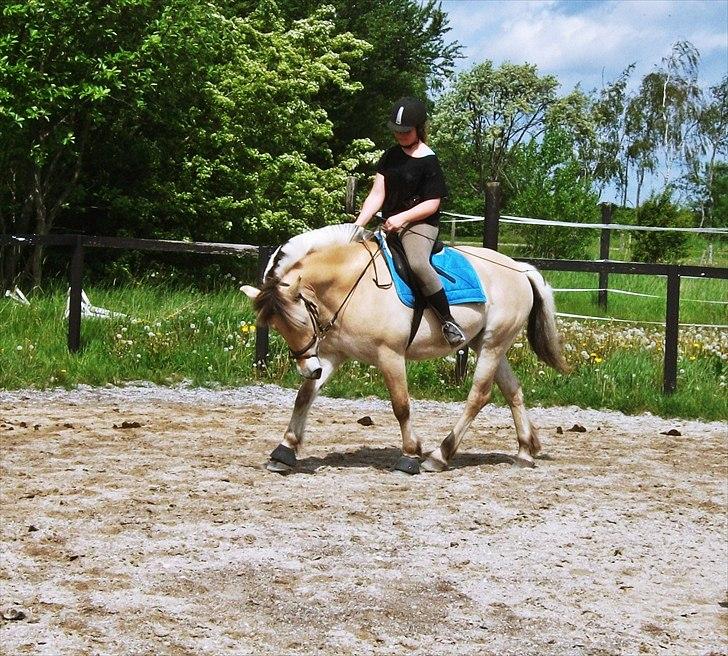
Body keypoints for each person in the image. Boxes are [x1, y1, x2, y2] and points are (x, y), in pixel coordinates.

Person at [353, 96, 466, 347]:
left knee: (417, 263)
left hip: (419, 224)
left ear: (419, 129)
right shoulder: (390, 156)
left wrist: (402, 218)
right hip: (389, 222)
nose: (400, 136)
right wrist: (359, 225)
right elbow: (377, 193)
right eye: (397, 131)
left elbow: (432, 204)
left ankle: (448, 321)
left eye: (405, 131)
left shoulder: (429, 160)